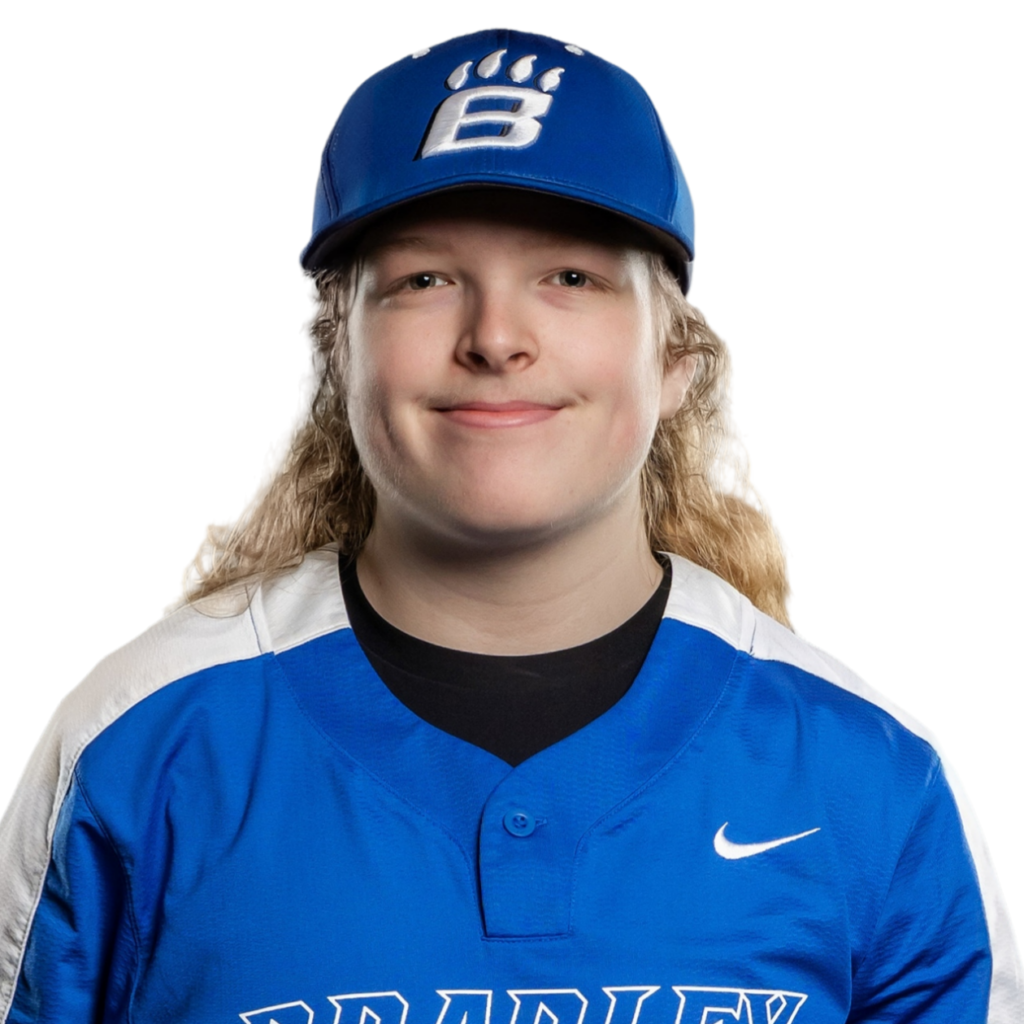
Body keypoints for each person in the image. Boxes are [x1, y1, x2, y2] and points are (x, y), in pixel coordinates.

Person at [1, 25, 1020, 1024]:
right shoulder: (132, 748)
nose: (495, 338)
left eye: (569, 276)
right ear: (337, 357)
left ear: (674, 360)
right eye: (424, 280)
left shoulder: (873, 776)